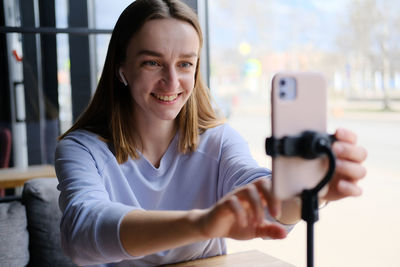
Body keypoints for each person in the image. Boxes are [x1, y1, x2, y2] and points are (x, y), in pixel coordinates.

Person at [55, 0, 368, 266]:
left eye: (185, 64)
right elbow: (82, 232)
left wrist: (312, 190)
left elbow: (263, 198)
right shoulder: (82, 149)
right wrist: (202, 223)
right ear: (121, 69)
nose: (172, 81)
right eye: (152, 63)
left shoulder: (219, 141)